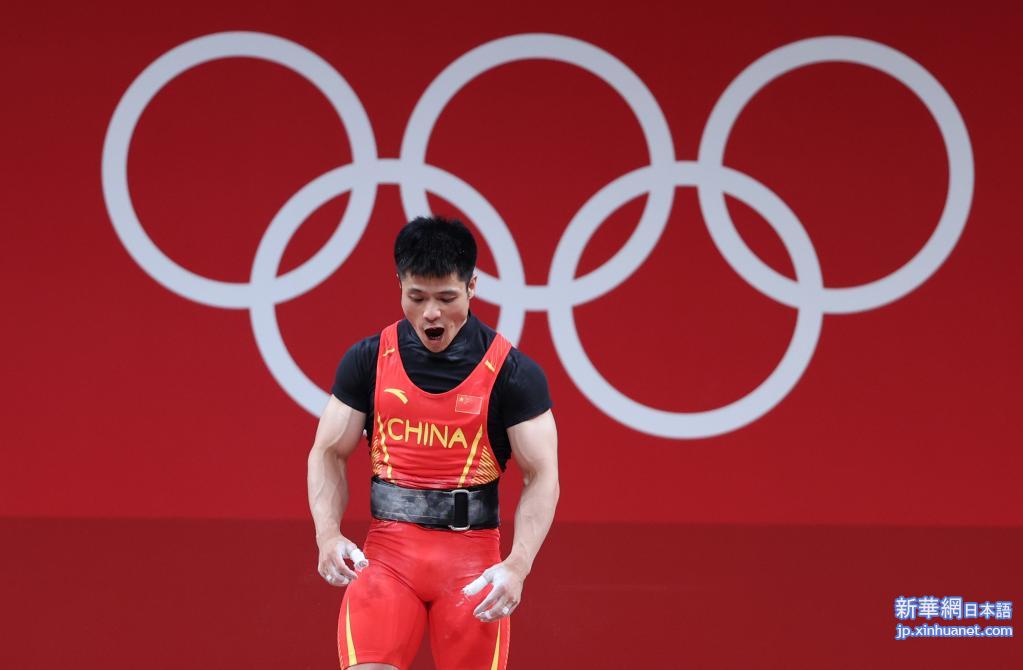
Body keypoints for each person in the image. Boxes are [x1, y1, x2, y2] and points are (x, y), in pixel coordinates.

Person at [307, 215, 560, 670]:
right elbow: (328, 452)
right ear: (399, 285)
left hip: (472, 571)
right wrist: (327, 536)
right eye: (417, 296)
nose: (430, 314)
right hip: (386, 562)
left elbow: (542, 476)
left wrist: (518, 565)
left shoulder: (513, 374)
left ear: (472, 287)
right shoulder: (368, 361)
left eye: (446, 298)